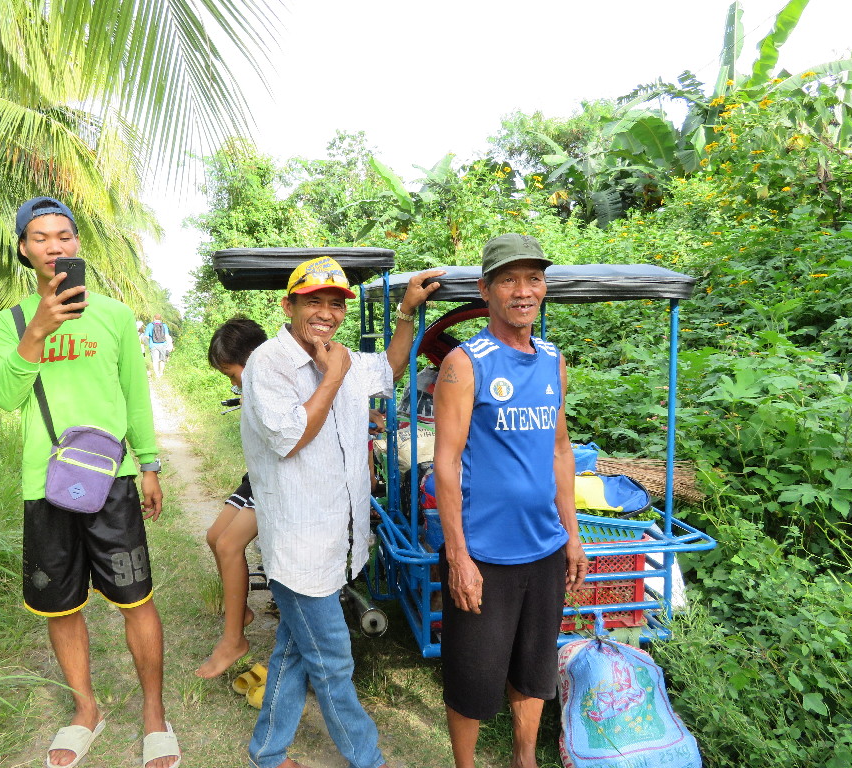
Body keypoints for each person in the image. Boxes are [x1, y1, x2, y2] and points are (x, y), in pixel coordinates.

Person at [0, 197, 181, 768]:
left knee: (135, 599)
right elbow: (5, 398)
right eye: (41, 237)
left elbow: (134, 394)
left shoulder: (114, 315)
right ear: (24, 250)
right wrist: (38, 331)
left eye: (64, 236)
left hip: (111, 479)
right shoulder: (9, 323)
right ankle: (85, 710)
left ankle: (154, 714)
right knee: (61, 605)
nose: (55, 246)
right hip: (44, 483)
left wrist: (149, 463)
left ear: (77, 245)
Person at [240, 255, 444, 768]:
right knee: (331, 658)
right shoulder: (269, 364)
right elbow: (292, 437)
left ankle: (266, 752)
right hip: (299, 546)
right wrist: (332, 377)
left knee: (294, 648)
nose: (326, 313)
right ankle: (368, 759)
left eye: (336, 304)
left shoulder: (342, 357)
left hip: (335, 540)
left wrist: (405, 313)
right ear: (287, 306)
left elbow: (390, 368)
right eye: (314, 302)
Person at [431, 233, 589, 768]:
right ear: (485, 290)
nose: (523, 291)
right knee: (472, 678)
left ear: (544, 288)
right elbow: (446, 464)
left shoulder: (553, 360)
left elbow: (561, 450)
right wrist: (458, 556)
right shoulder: (464, 363)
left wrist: (572, 535)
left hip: (544, 548)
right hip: (484, 555)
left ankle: (525, 759)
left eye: (533, 278)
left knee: (533, 668)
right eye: (508, 280)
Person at [195, 316, 268, 679]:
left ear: (254, 360)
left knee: (228, 545)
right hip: (256, 475)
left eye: (233, 374)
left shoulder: (275, 380)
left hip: (274, 480)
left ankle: (233, 639)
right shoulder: (253, 385)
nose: (233, 383)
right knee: (214, 537)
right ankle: (242, 611)